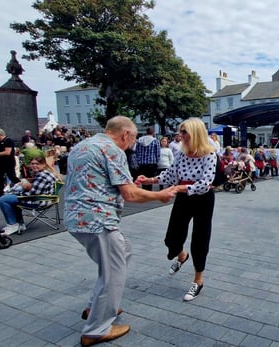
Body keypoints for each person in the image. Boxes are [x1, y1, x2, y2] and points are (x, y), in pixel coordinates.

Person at [65, 116, 177, 347]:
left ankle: (94, 306)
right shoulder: (112, 150)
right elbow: (131, 194)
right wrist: (160, 195)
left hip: (77, 218)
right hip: (98, 220)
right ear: (125, 134)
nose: (132, 144)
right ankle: (97, 329)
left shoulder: (81, 146)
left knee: (122, 252)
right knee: (114, 272)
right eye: (133, 139)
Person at [136, 117, 216, 302]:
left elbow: (206, 183)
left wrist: (181, 188)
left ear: (195, 134)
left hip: (203, 198)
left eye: (184, 132)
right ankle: (182, 255)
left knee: (200, 239)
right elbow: (171, 174)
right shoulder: (181, 154)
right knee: (171, 237)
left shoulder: (210, 154)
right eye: (180, 132)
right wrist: (151, 180)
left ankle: (198, 280)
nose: (180, 136)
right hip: (183, 197)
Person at [0, 154, 59, 235]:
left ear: (43, 165)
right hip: (48, 199)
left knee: (4, 199)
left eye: (37, 164)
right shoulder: (46, 173)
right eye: (32, 163)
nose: (34, 165)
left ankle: (12, 225)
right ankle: (20, 224)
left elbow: (33, 193)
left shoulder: (42, 176)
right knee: (11, 198)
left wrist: (17, 192)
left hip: (39, 201)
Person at [0, 128, 20, 197]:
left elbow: (7, 152)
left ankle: (22, 186)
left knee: (12, 176)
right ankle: (0, 192)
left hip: (8, 162)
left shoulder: (8, 141)